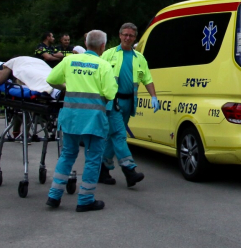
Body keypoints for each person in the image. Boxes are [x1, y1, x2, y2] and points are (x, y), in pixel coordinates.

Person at [45, 30, 118, 212]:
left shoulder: (69, 60)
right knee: (93, 158)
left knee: (68, 154)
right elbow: (110, 93)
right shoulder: (103, 65)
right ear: (103, 46)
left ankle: (54, 196)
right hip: (94, 119)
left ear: (86, 44)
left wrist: (66, 86)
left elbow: (51, 79)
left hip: (71, 117)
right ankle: (85, 199)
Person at [98, 22, 158, 187]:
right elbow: (97, 75)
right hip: (112, 102)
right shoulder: (109, 54)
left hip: (129, 102)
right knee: (119, 135)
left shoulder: (139, 58)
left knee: (112, 136)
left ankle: (102, 170)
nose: (127, 38)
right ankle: (129, 170)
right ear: (119, 35)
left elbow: (147, 79)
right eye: (125, 34)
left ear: (135, 38)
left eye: (131, 35)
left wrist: (154, 96)